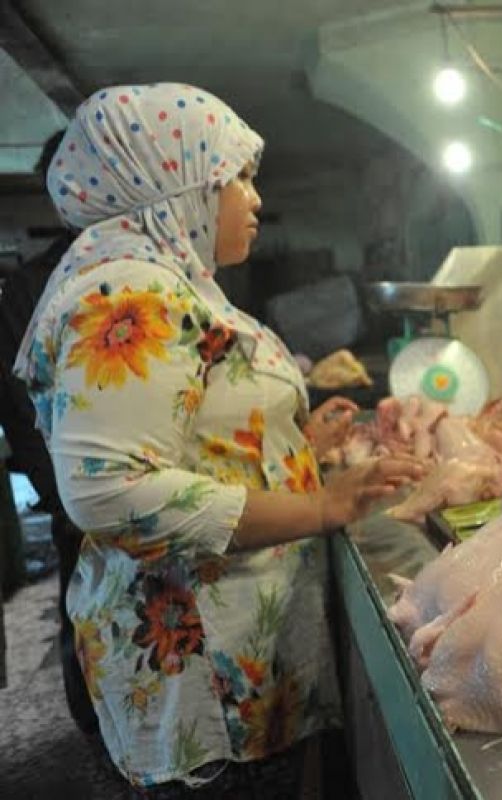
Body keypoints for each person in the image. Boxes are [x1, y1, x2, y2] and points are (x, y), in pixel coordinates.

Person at [14, 83, 423, 795]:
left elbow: (189, 434)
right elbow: (113, 492)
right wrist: (321, 507)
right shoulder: (126, 293)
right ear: (171, 182)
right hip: (203, 693)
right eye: (235, 176)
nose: (254, 199)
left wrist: (294, 446)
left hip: (240, 671)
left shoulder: (171, 280)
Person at [0, 130, 100, 734]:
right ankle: (88, 725)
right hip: (75, 486)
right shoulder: (31, 287)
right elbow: (17, 403)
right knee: (82, 602)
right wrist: (62, 496)